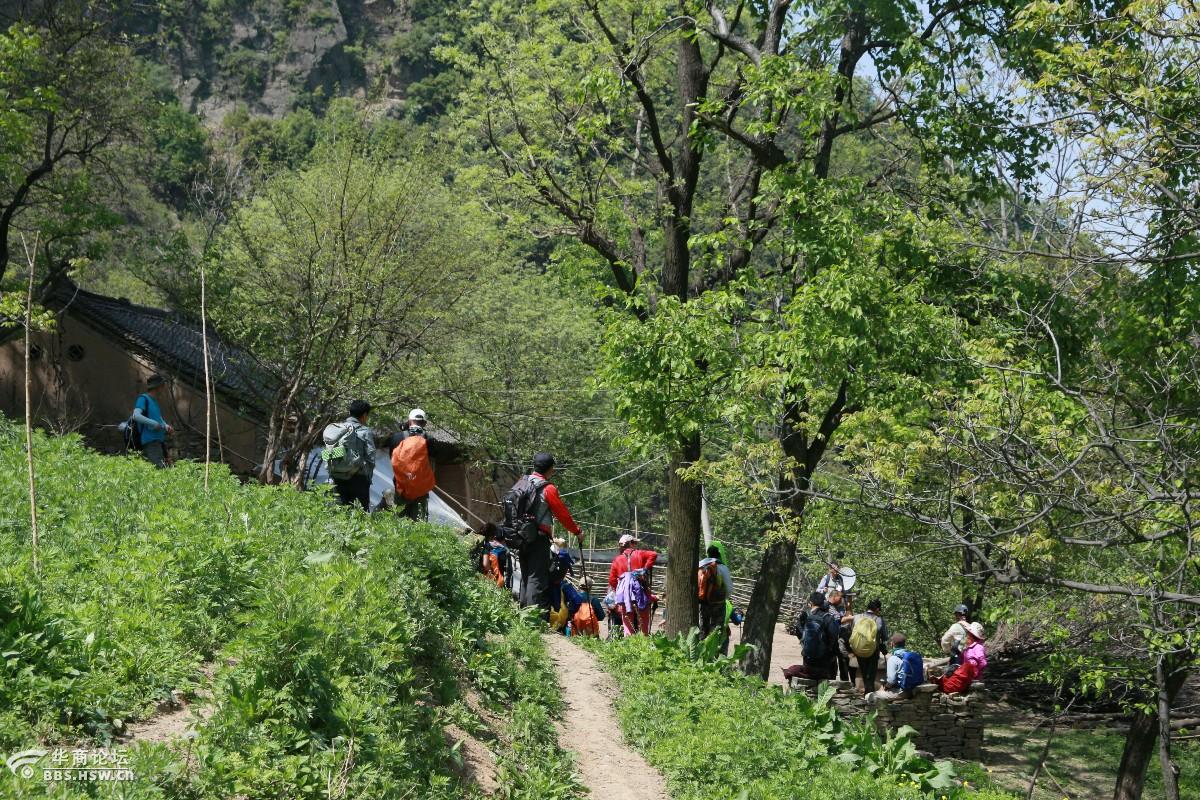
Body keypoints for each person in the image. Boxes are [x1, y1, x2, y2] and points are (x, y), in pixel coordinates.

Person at [510, 452, 583, 614]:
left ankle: (522, 614)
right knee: (536, 577)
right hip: (538, 538)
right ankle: (532, 619)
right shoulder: (547, 488)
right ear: (550, 469)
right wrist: (577, 532)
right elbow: (563, 515)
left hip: (520, 536)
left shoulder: (522, 482)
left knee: (526, 575)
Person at [326, 399, 375, 510]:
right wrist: (367, 478)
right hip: (358, 479)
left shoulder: (337, 430)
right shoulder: (365, 431)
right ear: (364, 415)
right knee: (359, 516)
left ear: (350, 413)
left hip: (337, 478)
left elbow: (326, 455)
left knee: (339, 514)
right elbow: (371, 458)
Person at [782, 592, 840, 681]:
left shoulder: (805, 616)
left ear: (810, 603)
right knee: (828, 680)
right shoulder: (828, 618)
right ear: (823, 602)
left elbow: (800, 635)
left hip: (808, 660)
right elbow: (834, 637)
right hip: (825, 661)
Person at [390, 408, 435, 521]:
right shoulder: (429, 440)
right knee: (420, 525)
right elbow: (432, 463)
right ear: (424, 423)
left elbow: (392, 458)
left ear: (409, 421)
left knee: (398, 523)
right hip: (421, 490)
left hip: (401, 487)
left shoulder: (397, 438)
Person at [130, 374, 173, 468]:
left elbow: (158, 418)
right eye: (162, 386)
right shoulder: (143, 399)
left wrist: (165, 426)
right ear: (157, 387)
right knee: (160, 470)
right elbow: (136, 415)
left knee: (166, 469)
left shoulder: (155, 401)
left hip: (159, 441)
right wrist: (153, 423)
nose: (164, 388)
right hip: (150, 442)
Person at [868, 633, 923, 703]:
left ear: (892, 644)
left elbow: (891, 680)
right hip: (913, 689)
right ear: (904, 644)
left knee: (869, 696)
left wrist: (885, 688)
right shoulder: (909, 656)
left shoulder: (893, 659)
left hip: (901, 692)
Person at [848, 598, 889, 693]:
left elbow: (852, 632)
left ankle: (866, 693)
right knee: (871, 674)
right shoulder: (879, 620)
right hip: (873, 651)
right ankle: (869, 695)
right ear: (877, 609)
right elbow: (885, 637)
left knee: (863, 671)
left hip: (858, 649)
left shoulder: (857, 617)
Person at [698, 545, 730, 650]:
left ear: (708, 554)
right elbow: (729, 588)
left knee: (703, 626)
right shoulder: (722, 567)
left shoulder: (700, 565)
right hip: (718, 603)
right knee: (716, 629)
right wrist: (724, 597)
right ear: (719, 555)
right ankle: (713, 652)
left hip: (703, 602)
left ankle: (701, 650)